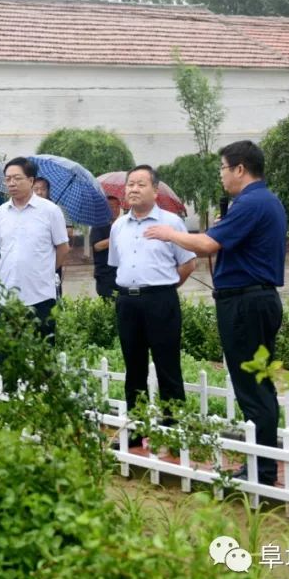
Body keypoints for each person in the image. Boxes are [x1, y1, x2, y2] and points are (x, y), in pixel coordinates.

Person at [145, 140, 287, 486]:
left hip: (245, 304)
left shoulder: (251, 202)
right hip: (257, 300)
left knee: (252, 386)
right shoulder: (263, 202)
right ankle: (263, 464)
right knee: (260, 385)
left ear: (240, 169)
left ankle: (263, 470)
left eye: (223, 168)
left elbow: (208, 244)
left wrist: (170, 233)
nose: (221, 176)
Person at [108, 166, 197, 446]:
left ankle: (174, 430)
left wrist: (164, 288)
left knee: (167, 365)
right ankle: (137, 426)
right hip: (127, 302)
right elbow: (115, 265)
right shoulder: (118, 226)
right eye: (130, 184)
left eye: (140, 184)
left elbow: (188, 263)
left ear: (155, 190)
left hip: (161, 300)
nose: (133, 189)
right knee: (134, 367)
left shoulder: (171, 223)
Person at [0, 157, 69, 341]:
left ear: (31, 180)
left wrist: (44, 271)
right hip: (7, 298)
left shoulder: (50, 211)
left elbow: (63, 248)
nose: (12, 183)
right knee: (7, 360)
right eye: (8, 179)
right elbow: (2, 250)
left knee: (42, 363)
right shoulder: (0, 213)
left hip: (40, 296)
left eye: (17, 178)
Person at [33, 176, 74, 297]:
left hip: (52, 258)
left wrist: (53, 230)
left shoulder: (57, 209)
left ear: (48, 191)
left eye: (43, 189)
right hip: (33, 259)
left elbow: (69, 231)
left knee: (54, 292)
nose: (40, 192)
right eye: (36, 189)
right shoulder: (27, 209)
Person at [89, 195, 123, 298]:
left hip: (120, 274)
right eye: (111, 207)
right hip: (105, 276)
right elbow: (97, 246)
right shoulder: (99, 225)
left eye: (117, 206)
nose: (115, 209)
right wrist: (114, 239)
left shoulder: (121, 225)